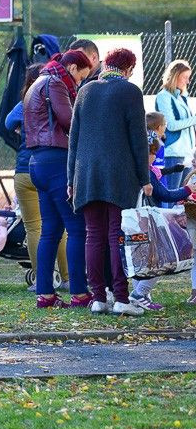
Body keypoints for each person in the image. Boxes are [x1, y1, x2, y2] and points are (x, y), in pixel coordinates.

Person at [69, 49, 152, 316]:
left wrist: (71, 178)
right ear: (128, 68)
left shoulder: (85, 91)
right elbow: (139, 140)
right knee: (117, 235)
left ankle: (97, 298)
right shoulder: (130, 92)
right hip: (119, 175)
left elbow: (74, 140)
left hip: (86, 174)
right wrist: (144, 178)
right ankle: (121, 299)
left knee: (93, 236)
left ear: (106, 64)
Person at [23, 48, 94, 308]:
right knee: (77, 229)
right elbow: (70, 121)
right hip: (57, 163)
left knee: (50, 232)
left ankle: (46, 294)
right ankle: (80, 293)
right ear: (73, 68)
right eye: (80, 78)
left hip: (37, 162)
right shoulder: (55, 83)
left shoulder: (39, 81)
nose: (79, 84)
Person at [5, 64, 67, 290]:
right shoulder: (56, 102)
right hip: (50, 168)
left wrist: (22, 128)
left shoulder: (25, 103)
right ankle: (68, 277)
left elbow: (7, 122)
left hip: (24, 170)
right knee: (61, 226)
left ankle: (42, 278)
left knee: (34, 228)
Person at [129, 116, 194, 312]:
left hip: (135, 220)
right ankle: (139, 294)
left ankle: (141, 295)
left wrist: (173, 170)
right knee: (160, 259)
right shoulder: (146, 172)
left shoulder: (140, 169)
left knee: (141, 258)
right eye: (153, 154)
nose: (154, 158)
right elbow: (164, 193)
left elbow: (158, 174)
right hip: (148, 220)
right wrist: (188, 190)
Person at [156, 60, 196, 188]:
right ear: (175, 76)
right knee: (172, 197)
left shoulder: (180, 97)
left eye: (188, 78)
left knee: (182, 199)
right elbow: (171, 125)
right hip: (173, 153)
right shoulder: (164, 96)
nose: (188, 81)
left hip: (186, 153)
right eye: (185, 77)